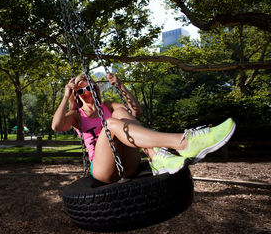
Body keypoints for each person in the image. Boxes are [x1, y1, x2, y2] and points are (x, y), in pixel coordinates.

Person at [51, 73, 236, 183]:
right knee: (110, 124)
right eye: (80, 91)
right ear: (77, 94)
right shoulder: (77, 116)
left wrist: (121, 86)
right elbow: (56, 126)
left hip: (127, 164)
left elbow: (135, 112)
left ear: (95, 87)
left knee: (121, 115)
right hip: (102, 168)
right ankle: (184, 142)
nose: (86, 93)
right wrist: (66, 95)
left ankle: (158, 157)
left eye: (89, 87)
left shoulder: (108, 105)